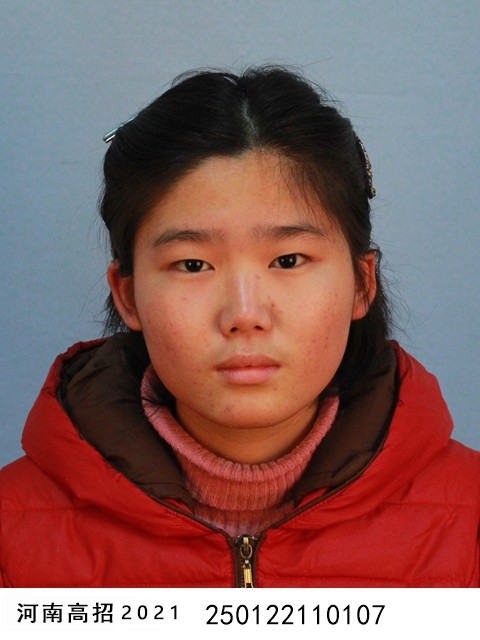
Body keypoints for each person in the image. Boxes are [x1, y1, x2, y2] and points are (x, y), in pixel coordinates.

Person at [0, 66, 479, 588]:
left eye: (289, 260)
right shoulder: (11, 533)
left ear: (362, 284)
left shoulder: (469, 521)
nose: (245, 314)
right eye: (192, 265)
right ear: (128, 295)